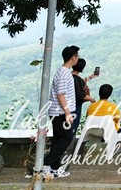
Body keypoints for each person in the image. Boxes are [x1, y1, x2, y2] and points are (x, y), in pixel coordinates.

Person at [40, 45, 79, 178]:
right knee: (67, 137)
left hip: (59, 112)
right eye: (77, 56)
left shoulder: (64, 72)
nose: (77, 58)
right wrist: (67, 112)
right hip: (60, 112)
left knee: (58, 139)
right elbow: (60, 94)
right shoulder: (64, 74)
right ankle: (45, 164)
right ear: (73, 57)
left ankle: (53, 168)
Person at [70, 58, 96, 134]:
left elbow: (80, 81)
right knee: (73, 127)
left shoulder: (70, 76)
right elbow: (81, 94)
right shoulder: (76, 79)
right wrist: (92, 99)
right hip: (75, 106)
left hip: (68, 105)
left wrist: (91, 77)